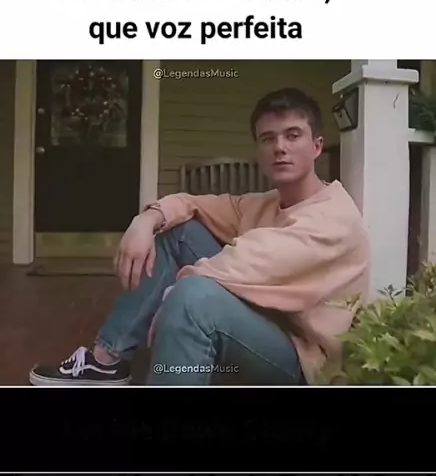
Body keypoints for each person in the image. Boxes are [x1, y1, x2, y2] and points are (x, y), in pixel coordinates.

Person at [29, 88, 370, 388]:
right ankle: (106, 362)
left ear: (317, 146)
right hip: (267, 317)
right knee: (178, 232)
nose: (280, 147)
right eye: (268, 138)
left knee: (193, 299)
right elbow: (191, 203)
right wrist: (146, 219)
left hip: (302, 358)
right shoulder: (265, 204)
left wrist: (173, 298)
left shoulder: (332, 218)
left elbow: (240, 264)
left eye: (292, 135)